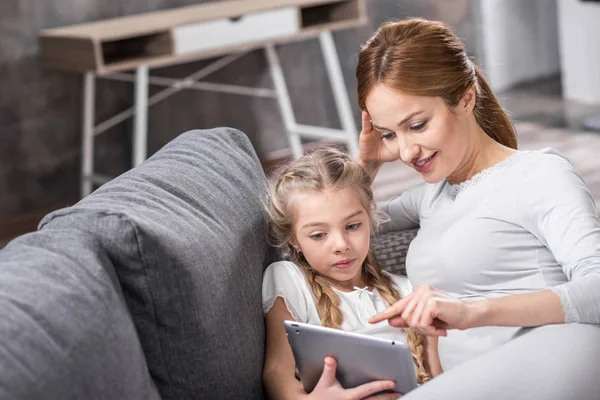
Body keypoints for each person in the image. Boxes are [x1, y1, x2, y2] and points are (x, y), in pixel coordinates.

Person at [355, 17, 600, 398]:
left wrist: (473, 311)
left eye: (417, 125)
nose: (405, 152)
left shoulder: (538, 175)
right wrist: (367, 166)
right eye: (390, 134)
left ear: (466, 98)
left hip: (557, 352)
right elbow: (346, 226)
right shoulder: (431, 196)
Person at [261, 147, 443, 400]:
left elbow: (438, 380)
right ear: (293, 239)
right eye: (318, 235)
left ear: (371, 219)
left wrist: (432, 343)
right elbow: (276, 369)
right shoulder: (290, 280)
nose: (341, 245)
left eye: (352, 226)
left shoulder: (407, 290)